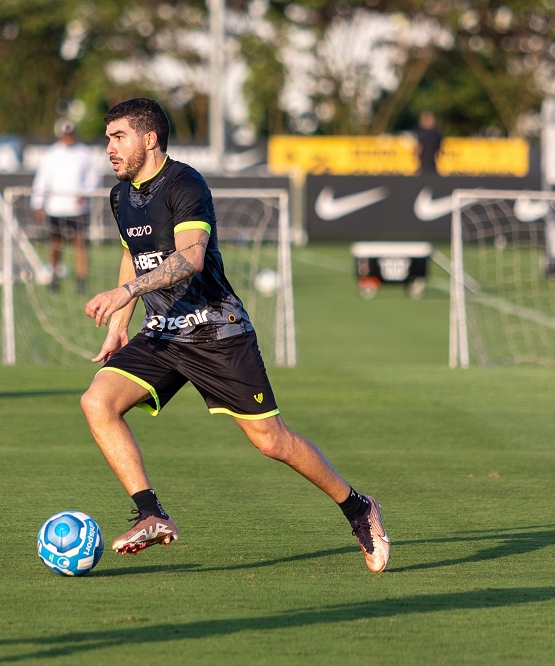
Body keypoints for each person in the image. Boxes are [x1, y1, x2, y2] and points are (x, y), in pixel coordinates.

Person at [80, 98, 390, 573]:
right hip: (163, 333)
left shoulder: (185, 184)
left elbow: (191, 259)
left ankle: (358, 508)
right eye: (108, 139)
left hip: (216, 331)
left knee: (271, 441)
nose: (109, 148)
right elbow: (133, 251)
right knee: (97, 402)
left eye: (118, 137)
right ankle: (151, 514)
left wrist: (125, 292)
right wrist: (120, 325)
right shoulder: (121, 195)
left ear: (150, 139)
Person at [31, 118, 101, 293]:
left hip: (77, 208)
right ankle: (54, 276)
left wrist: (85, 192)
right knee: (56, 243)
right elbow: (42, 180)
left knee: (80, 242)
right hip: (56, 207)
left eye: (70, 134)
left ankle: (81, 280)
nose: (68, 138)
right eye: (65, 135)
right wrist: (38, 203)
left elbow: (94, 178)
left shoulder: (84, 153)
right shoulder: (50, 155)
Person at [415, 110, 442, 175]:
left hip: (424, 167)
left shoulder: (421, 135)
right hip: (434, 167)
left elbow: (418, 150)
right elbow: (439, 151)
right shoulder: (437, 134)